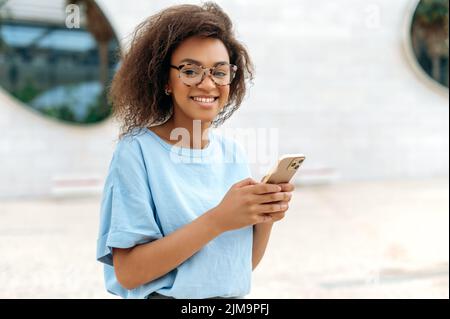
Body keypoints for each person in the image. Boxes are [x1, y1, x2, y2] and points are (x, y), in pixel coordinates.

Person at [96, 2, 294, 299]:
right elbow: (129, 273)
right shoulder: (137, 152)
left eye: (219, 71)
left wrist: (264, 218)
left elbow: (236, 268)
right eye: (190, 70)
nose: (207, 83)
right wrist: (219, 219)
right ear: (165, 79)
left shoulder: (234, 154)